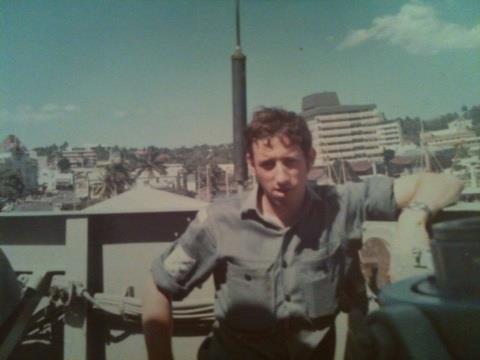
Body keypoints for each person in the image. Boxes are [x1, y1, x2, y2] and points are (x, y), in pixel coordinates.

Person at [142, 107, 463, 360]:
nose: (281, 177)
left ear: (310, 159)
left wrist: (415, 217)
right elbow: (158, 288)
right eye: (268, 164)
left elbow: (446, 183)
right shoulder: (219, 220)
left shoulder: (342, 204)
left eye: (291, 162)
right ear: (251, 164)